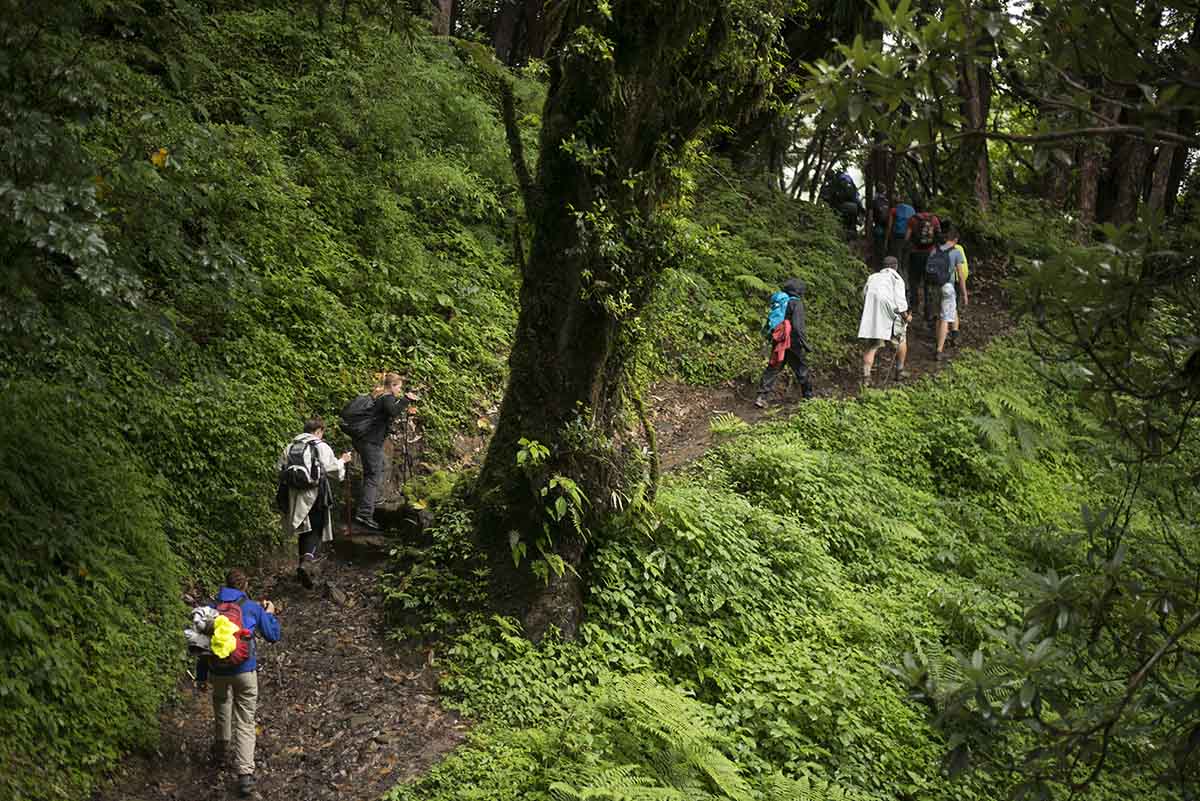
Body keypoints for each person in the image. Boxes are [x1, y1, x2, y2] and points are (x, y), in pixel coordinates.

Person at [196, 569, 281, 798]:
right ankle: (244, 775)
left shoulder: (211, 608)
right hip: (245, 671)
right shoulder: (252, 607)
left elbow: (203, 646)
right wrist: (269, 614)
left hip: (217, 671)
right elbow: (273, 635)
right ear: (244, 586)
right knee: (245, 720)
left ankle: (221, 749)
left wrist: (201, 677)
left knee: (221, 704)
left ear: (225, 585)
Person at [277, 417, 351, 576]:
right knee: (316, 526)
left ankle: (302, 565)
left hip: (294, 494)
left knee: (304, 529)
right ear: (318, 431)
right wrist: (342, 461)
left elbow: (280, 469)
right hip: (315, 493)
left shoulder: (290, 447)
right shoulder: (321, 447)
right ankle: (306, 562)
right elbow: (334, 471)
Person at [350, 372, 408, 531]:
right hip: (371, 442)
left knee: (381, 466)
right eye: (399, 387)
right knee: (373, 475)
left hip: (364, 440)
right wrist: (405, 400)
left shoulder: (379, 396)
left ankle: (372, 499)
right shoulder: (387, 397)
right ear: (392, 386)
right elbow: (393, 411)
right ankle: (365, 513)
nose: (400, 390)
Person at [754, 278, 813, 408]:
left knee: (773, 367)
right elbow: (798, 327)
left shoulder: (781, 302)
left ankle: (761, 397)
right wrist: (806, 345)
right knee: (801, 369)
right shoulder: (796, 303)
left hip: (779, 340)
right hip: (793, 343)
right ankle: (809, 398)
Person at [858, 256, 911, 383]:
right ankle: (899, 370)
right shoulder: (897, 279)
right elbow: (900, 302)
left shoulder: (873, 277)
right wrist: (906, 317)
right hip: (892, 314)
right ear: (896, 266)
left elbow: (864, 295)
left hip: (874, 316)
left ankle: (866, 377)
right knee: (900, 340)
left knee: (872, 346)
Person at [903, 200, 941, 325]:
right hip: (930, 254)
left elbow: (907, 237)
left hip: (916, 254)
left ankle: (914, 307)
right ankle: (928, 311)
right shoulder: (934, 219)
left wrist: (907, 248)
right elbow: (939, 235)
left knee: (914, 281)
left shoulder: (913, 220)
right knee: (928, 282)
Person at [933, 226, 968, 361]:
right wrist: (964, 294)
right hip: (948, 286)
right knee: (945, 319)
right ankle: (939, 350)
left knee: (939, 316)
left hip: (934, 286)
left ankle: (938, 341)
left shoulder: (935, 250)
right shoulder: (956, 252)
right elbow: (961, 275)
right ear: (956, 240)